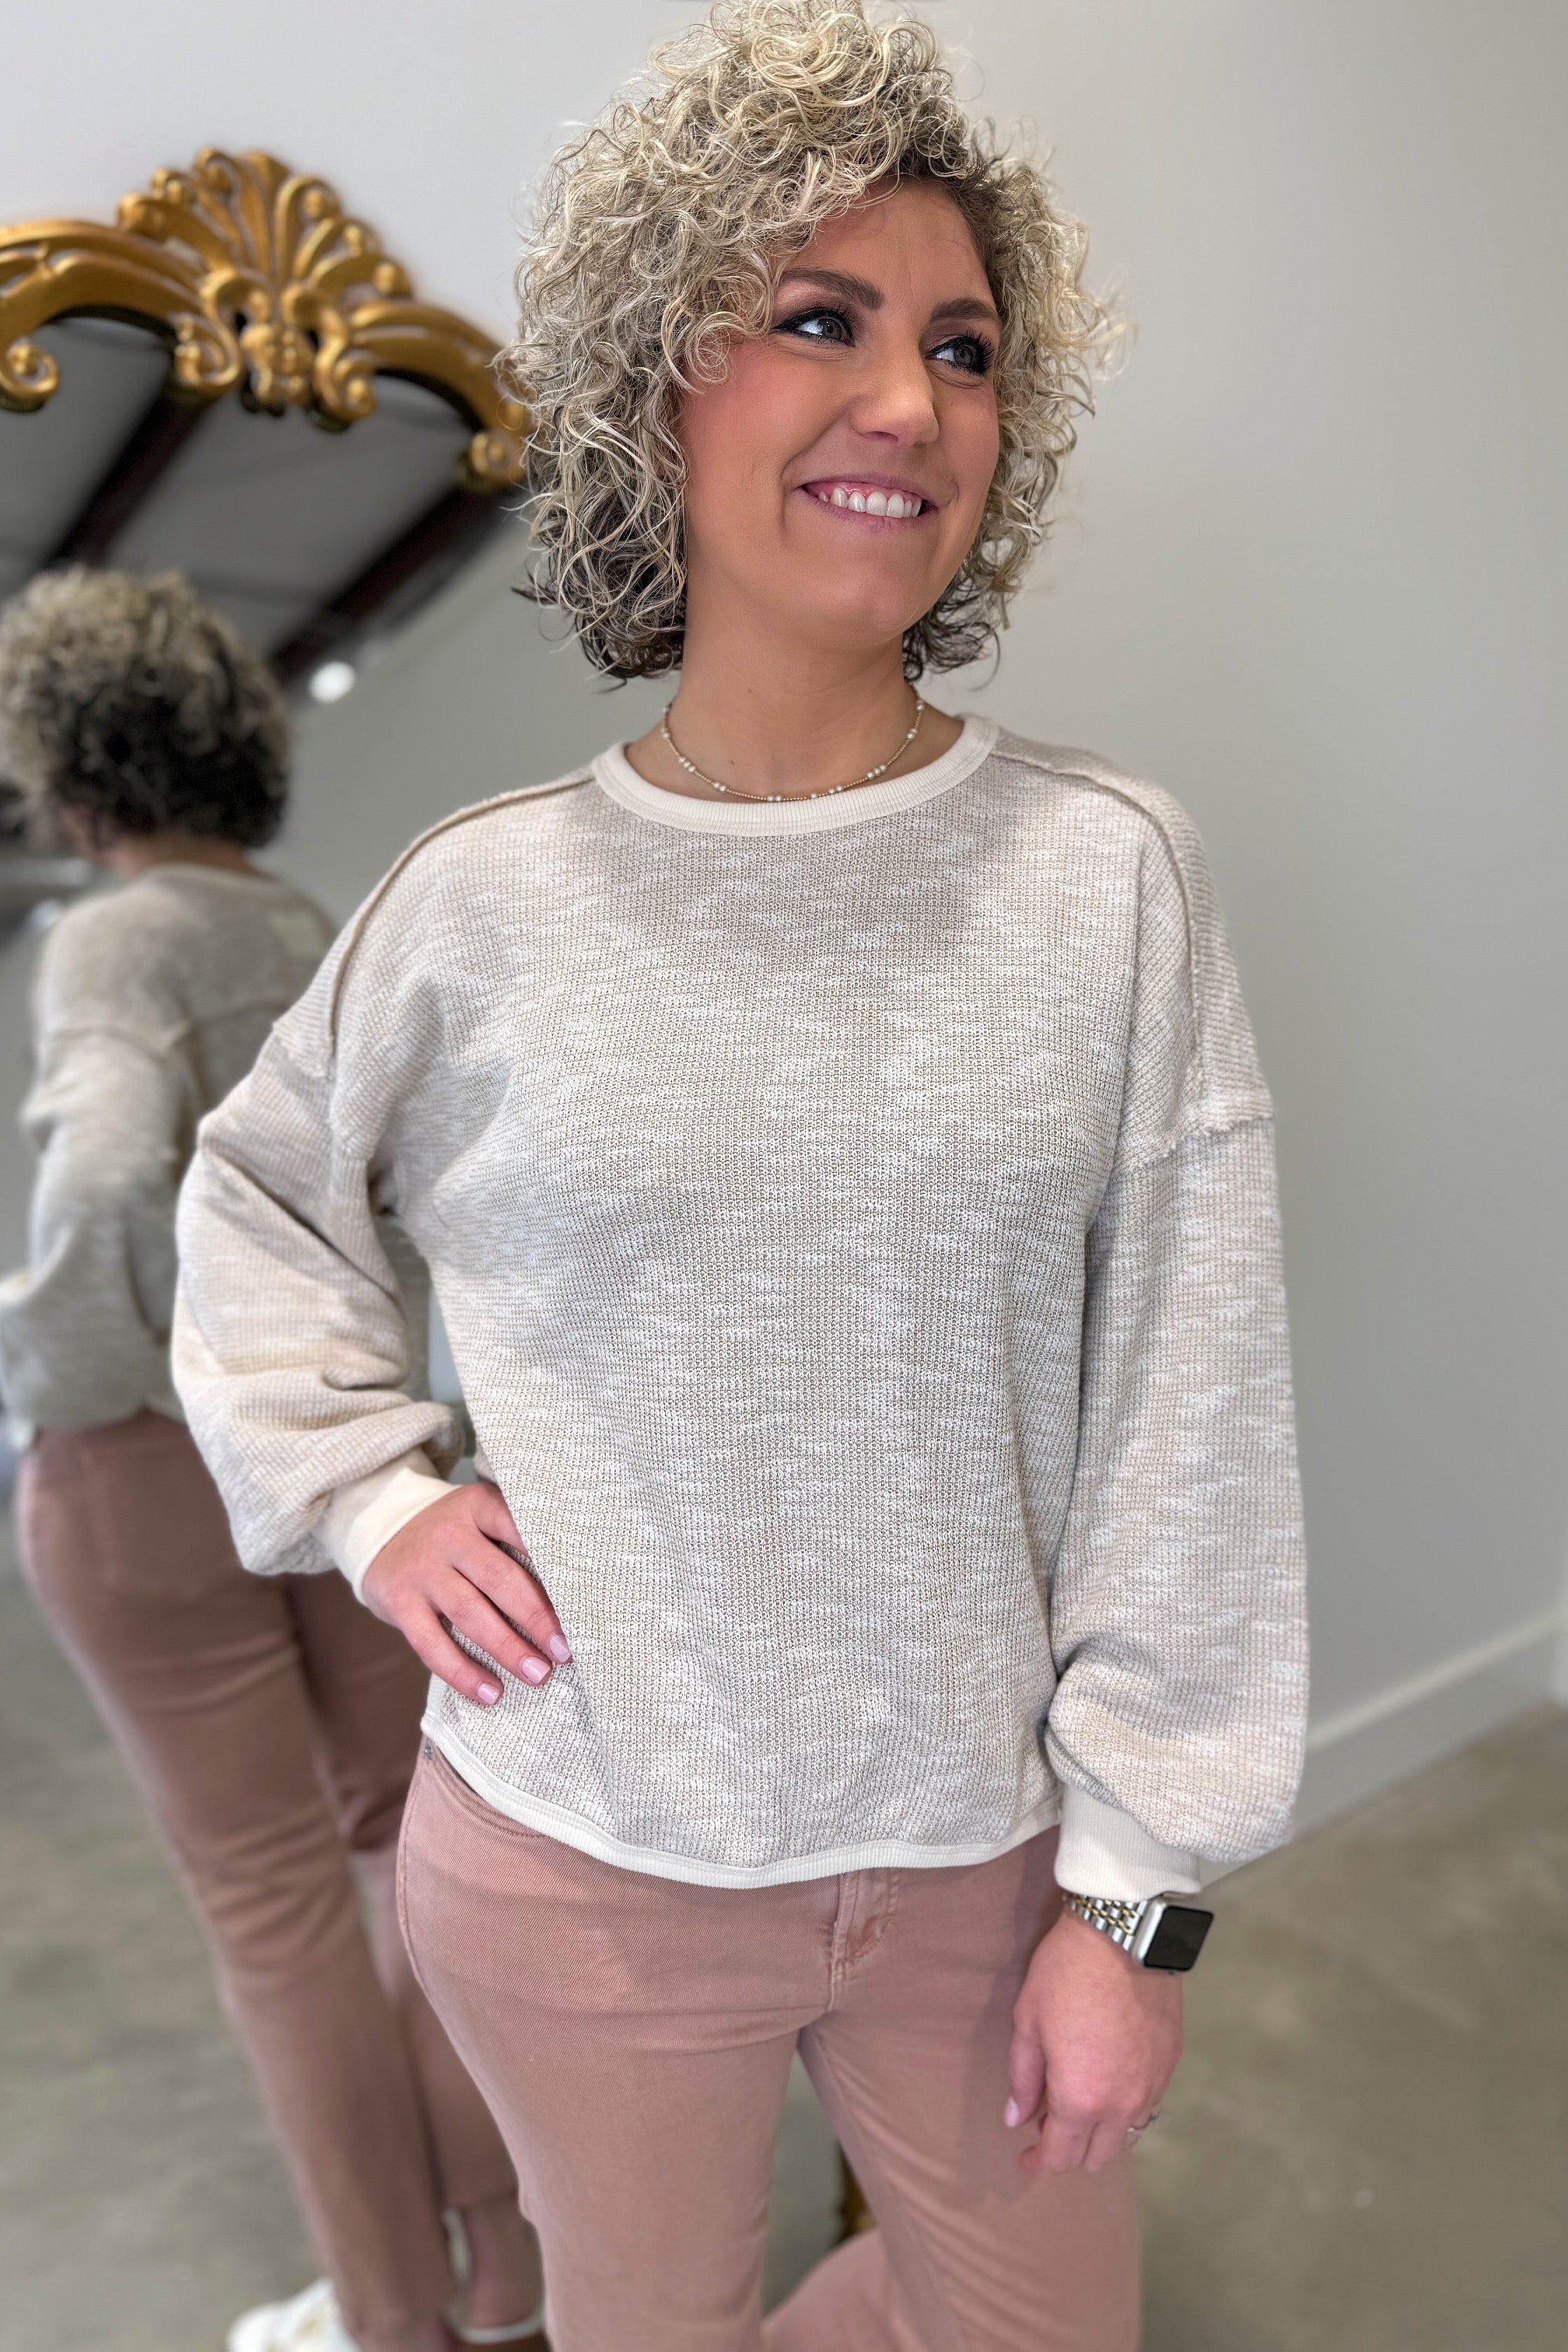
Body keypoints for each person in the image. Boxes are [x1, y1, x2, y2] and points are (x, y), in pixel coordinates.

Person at [173, 4, 1310, 2346]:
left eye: (963, 348)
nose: (909, 401)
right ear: (654, 389)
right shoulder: (479, 906)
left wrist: (1139, 1907)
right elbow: (250, 1207)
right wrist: (375, 1500)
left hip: (985, 1859)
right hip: (574, 1860)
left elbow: (1189, 1423)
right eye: (818, 320)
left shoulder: (1107, 878)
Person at [0, 569, 544, 2352]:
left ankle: (390, 2320)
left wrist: (59, 1383)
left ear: (75, 765)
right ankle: (508, 2278)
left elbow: (101, 1177)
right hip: (339, 1453)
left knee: (272, 1908)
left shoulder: (114, 940)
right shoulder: (320, 930)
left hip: (152, 1467)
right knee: (413, 1855)